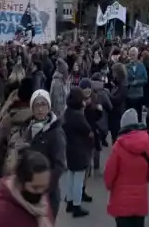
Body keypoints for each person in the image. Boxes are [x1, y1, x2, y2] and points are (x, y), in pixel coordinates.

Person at [104, 108, 149, 226]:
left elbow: (109, 174)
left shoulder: (118, 147)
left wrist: (109, 186)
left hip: (121, 201)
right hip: (140, 201)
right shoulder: (148, 146)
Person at [19, 90, 66, 218]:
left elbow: (60, 165)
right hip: (28, 194)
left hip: (47, 195)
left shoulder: (55, 132)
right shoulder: (28, 129)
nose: (40, 109)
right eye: (37, 105)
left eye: (43, 105)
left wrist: (44, 187)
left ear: (49, 107)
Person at [0, 150, 54, 227]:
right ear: (20, 183)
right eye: (35, 188)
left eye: (45, 187)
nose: (42, 193)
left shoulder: (42, 202)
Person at [62, 86, 92, 217]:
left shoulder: (67, 112)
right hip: (79, 149)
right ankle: (76, 205)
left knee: (71, 176)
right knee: (79, 179)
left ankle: (69, 201)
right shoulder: (78, 115)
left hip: (69, 148)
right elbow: (87, 130)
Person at [125, 48, 149, 121]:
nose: (132, 57)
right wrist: (130, 83)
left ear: (137, 55)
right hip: (129, 95)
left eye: (134, 55)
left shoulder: (141, 66)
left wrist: (137, 82)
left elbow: (145, 80)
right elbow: (124, 80)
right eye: (131, 55)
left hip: (139, 94)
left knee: (138, 114)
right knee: (130, 114)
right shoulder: (126, 66)